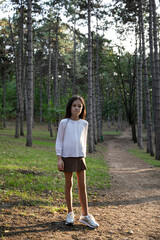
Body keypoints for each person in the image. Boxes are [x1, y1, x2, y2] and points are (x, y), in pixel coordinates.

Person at [55, 95, 99, 229]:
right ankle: (70, 213)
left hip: (80, 157)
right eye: (74, 105)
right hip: (67, 157)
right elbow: (59, 140)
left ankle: (85, 215)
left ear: (82, 108)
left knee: (82, 185)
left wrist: (83, 156)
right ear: (70, 107)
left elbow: (83, 141)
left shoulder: (84, 123)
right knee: (69, 184)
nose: (77, 108)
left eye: (79, 106)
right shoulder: (64, 122)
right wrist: (59, 158)